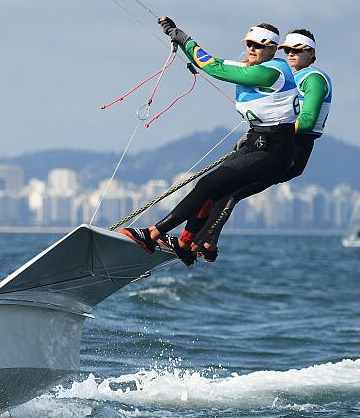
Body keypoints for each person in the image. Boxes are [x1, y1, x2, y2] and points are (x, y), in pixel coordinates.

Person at [120, 17, 297, 263]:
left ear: (273, 49)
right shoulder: (258, 66)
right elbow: (218, 63)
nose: (252, 49)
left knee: (207, 185)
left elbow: (214, 67)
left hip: (274, 152)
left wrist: (184, 38)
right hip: (257, 142)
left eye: (259, 45)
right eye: (249, 44)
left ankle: (152, 235)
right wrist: (182, 42)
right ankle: (185, 244)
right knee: (214, 191)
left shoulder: (269, 72)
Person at [189, 29, 331, 260]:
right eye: (287, 50)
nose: (291, 54)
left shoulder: (314, 79)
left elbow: (306, 121)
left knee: (232, 192)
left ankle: (200, 244)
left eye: (297, 51)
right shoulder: (287, 76)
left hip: (292, 151)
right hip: (268, 143)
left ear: (311, 53)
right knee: (221, 185)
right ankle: (198, 241)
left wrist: (272, 130)